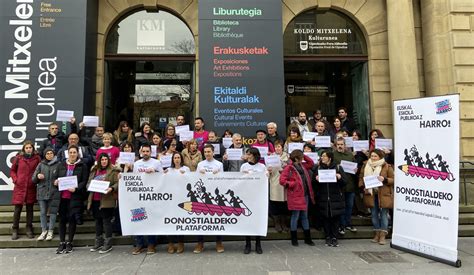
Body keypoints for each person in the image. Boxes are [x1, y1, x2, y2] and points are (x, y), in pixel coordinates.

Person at [55, 145, 89, 253]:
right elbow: (56, 178)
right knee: (62, 220)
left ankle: (69, 242)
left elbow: (84, 181)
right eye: (71, 152)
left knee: (72, 220)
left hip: (75, 197)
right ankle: (62, 242)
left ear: (77, 154)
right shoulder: (61, 165)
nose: (72, 154)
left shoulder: (82, 165)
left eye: (74, 152)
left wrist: (76, 188)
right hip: (62, 197)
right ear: (67, 153)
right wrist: (55, 182)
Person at [279, 150, 315, 247]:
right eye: (301, 157)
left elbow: (311, 163)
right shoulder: (289, 168)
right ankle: (294, 238)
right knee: (295, 216)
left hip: (305, 195)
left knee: (304, 216)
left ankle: (308, 238)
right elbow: (282, 180)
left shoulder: (303, 166)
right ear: (296, 158)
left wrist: (303, 154)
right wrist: (292, 184)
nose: (303, 159)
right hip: (295, 195)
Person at [131, 144, 163, 255]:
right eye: (143, 151)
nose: (145, 153)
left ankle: (151, 244)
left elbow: (163, 178)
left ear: (151, 152)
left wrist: (155, 172)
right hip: (139, 196)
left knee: (150, 220)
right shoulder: (136, 164)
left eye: (147, 151)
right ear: (140, 152)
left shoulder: (156, 163)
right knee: (138, 219)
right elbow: (133, 179)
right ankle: (139, 244)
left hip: (152, 196)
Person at [358, 149, 394, 245]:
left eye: (375, 156)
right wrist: (363, 186)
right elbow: (361, 177)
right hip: (371, 194)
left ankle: (383, 235)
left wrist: (385, 179)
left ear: (380, 157)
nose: (373, 158)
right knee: (374, 214)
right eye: (372, 156)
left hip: (383, 194)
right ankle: (377, 233)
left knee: (383, 215)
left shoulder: (386, 166)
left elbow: (393, 179)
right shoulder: (366, 165)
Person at [87, 153, 120, 254]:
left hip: (107, 199)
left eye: (106, 159)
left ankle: (108, 243)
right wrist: (89, 186)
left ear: (108, 160)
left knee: (106, 221)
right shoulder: (94, 170)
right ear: (99, 161)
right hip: (95, 199)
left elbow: (117, 182)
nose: (104, 161)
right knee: (98, 221)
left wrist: (112, 188)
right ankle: (98, 241)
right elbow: (88, 182)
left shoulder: (113, 171)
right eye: (102, 159)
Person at [194, 144, 224, 253]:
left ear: (213, 152)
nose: (207, 153)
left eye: (209, 151)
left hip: (215, 195)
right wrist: (199, 174)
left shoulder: (219, 164)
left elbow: (223, 180)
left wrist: (218, 174)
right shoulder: (200, 164)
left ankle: (219, 242)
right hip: (202, 195)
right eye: (205, 152)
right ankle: (200, 243)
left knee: (217, 218)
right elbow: (195, 179)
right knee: (201, 219)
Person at [314, 150, 346, 247]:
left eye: (324, 156)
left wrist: (340, 177)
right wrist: (316, 179)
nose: (322, 158)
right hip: (323, 197)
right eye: (322, 156)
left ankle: (334, 237)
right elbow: (313, 183)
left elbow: (345, 182)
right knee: (326, 218)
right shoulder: (318, 168)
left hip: (335, 197)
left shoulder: (338, 167)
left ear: (329, 158)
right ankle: (327, 236)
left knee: (335, 219)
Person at [10, 141, 42, 240]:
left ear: (33, 148)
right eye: (27, 148)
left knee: (30, 209)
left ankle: (29, 228)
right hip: (20, 187)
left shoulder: (37, 158)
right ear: (24, 149)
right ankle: (15, 229)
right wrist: (16, 179)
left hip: (31, 187)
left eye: (30, 147)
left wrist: (35, 180)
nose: (29, 149)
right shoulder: (18, 158)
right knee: (17, 209)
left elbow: (40, 170)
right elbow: (12, 170)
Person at [240, 148, 267, 254]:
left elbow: (265, 180)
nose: (248, 156)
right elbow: (239, 181)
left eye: (249, 154)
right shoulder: (244, 166)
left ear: (255, 155)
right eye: (247, 154)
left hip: (258, 197)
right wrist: (244, 174)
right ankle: (247, 244)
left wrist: (266, 176)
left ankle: (258, 244)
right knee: (248, 221)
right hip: (247, 196)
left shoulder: (262, 166)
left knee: (257, 221)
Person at [163, 152, 190, 254]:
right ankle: (170, 243)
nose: (177, 159)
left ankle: (180, 243)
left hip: (182, 199)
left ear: (181, 159)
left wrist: (186, 175)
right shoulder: (168, 170)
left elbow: (190, 181)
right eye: (175, 158)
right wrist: (163, 175)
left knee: (180, 221)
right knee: (170, 221)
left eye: (178, 157)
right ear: (172, 160)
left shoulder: (186, 169)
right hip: (170, 200)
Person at [32, 148, 60, 241]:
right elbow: (33, 179)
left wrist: (58, 181)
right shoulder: (40, 164)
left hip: (54, 192)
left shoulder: (58, 164)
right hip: (42, 192)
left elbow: (62, 177)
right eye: (47, 153)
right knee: (43, 212)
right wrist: (37, 176)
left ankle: (50, 231)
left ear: (54, 154)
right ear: (45, 155)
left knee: (53, 213)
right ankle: (44, 231)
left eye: (51, 153)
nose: (49, 155)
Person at [332, 138, 358, 235]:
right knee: (341, 206)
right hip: (339, 185)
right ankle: (341, 225)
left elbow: (355, 167)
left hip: (350, 185)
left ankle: (348, 223)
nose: (340, 146)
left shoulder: (350, 155)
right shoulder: (333, 155)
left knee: (349, 206)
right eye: (338, 144)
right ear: (335, 145)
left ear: (345, 145)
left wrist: (356, 170)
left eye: (341, 144)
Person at [268, 140, 289, 233]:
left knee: (284, 204)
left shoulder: (288, 156)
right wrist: (268, 170)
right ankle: (277, 223)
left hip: (284, 184)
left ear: (282, 147)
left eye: (279, 147)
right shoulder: (270, 157)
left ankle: (283, 223)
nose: (277, 148)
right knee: (275, 203)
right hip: (274, 182)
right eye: (276, 147)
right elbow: (267, 171)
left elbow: (290, 168)